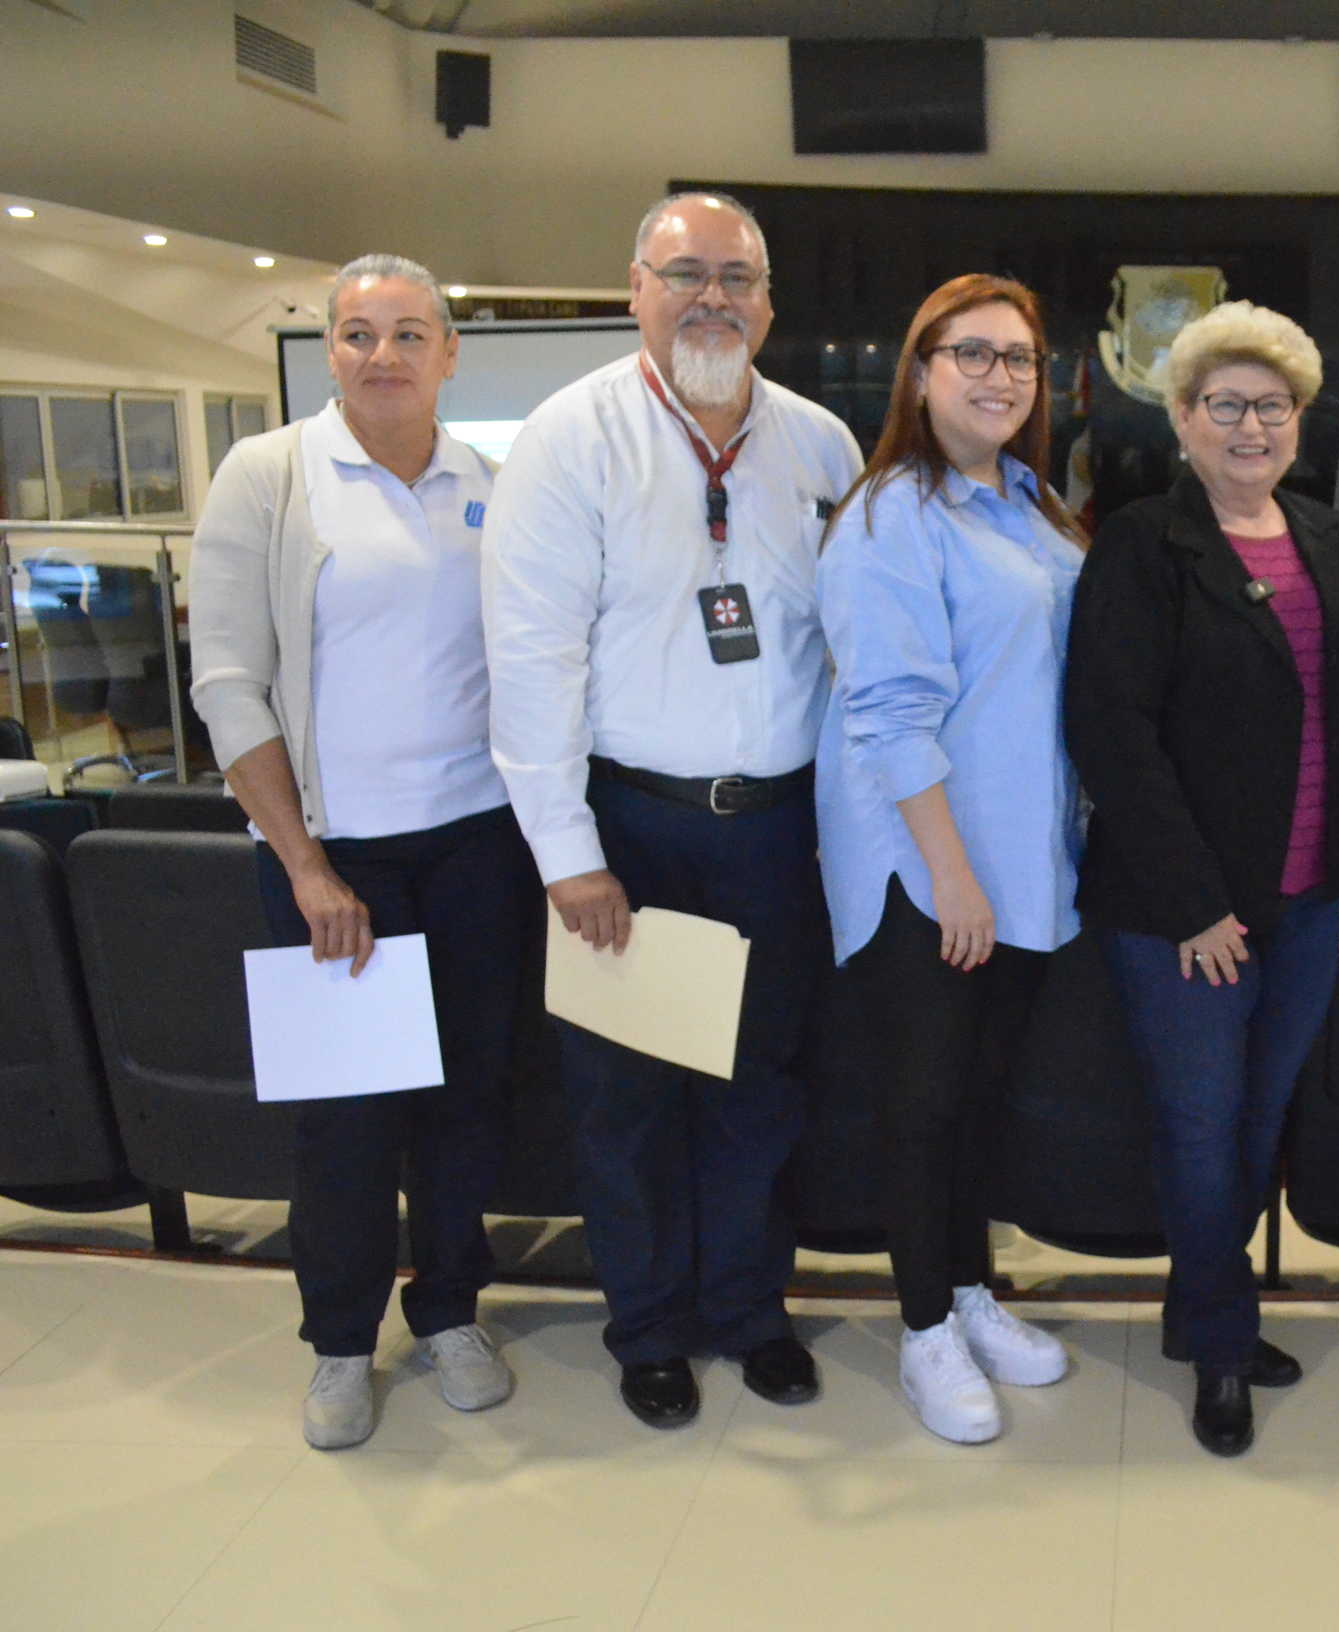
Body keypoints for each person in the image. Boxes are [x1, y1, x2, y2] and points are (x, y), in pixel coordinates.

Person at [482, 192, 862, 1428]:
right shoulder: (568, 436)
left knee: (761, 1092)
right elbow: (531, 656)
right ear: (634, 286)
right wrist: (566, 856)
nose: (713, 298)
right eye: (685, 273)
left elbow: (848, 648)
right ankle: (647, 1328)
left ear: (768, 300)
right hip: (625, 832)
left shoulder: (817, 444)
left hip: (773, 831)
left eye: (737, 279)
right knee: (627, 1099)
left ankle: (748, 1313)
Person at [190, 254, 531, 1450]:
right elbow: (228, 682)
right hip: (333, 858)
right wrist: (306, 868)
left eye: (406, 334)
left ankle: (447, 1314)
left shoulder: (490, 480)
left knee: (463, 1102)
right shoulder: (271, 475)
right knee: (343, 1118)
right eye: (354, 334)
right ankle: (340, 1345)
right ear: (329, 352)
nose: (379, 355)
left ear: (448, 355)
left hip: (478, 849)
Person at [1065, 302, 1339, 1457]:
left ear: (1300, 421)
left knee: (1258, 1122)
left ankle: (1199, 1305)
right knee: (1200, 1131)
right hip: (1183, 915)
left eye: (1273, 406)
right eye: (1225, 405)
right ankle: (1218, 1345)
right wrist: (1195, 902)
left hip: (1308, 901)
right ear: (1185, 419)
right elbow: (1112, 734)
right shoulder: (1142, 544)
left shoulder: (1320, 537)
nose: (1250, 427)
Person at [816, 273, 1084, 1446]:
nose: (997, 376)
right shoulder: (891, 514)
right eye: (969, 354)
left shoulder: (1027, 504)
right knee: (921, 1112)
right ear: (919, 373)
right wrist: (952, 876)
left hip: (1022, 866)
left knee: (979, 1105)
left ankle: (971, 1294)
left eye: (1017, 358)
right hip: (927, 871)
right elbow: (888, 713)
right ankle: (924, 1327)